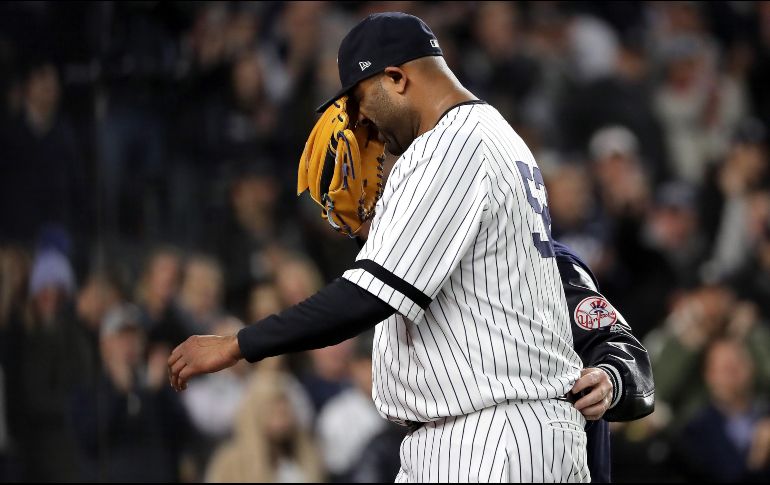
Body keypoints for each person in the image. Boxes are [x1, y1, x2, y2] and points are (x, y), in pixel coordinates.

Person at [171, 12, 603, 482]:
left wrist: (238, 343)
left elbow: (367, 296)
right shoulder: (486, 135)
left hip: (493, 431)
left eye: (359, 101)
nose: (360, 122)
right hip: (467, 433)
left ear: (396, 78)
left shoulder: (454, 144)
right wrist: (376, 224)